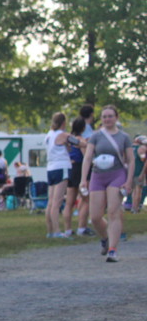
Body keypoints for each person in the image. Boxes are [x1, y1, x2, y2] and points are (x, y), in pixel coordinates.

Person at [79, 105, 133, 262]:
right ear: (101, 119)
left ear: (116, 118)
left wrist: (129, 181)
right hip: (98, 176)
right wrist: (83, 179)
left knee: (113, 213)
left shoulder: (124, 137)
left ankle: (113, 250)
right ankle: (105, 238)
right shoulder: (96, 136)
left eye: (110, 116)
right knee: (95, 216)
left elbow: (130, 160)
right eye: (104, 117)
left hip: (117, 176)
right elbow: (87, 158)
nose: (107, 119)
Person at [44, 113, 71, 238]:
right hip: (61, 166)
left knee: (50, 202)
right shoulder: (63, 135)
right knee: (57, 202)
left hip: (50, 167)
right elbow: (78, 143)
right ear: (64, 122)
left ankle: (50, 231)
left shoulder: (49, 135)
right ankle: (57, 230)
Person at [62, 117, 88, 236]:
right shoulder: (80, 140)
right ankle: (82, 227)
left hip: (70, 168)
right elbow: (86, 157)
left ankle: (67, 229)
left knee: (69, 202)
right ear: (83, 128)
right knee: (86, 199)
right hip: (79, 169)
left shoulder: (68, 139)